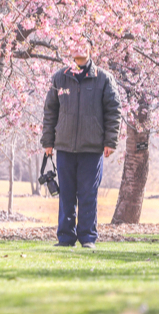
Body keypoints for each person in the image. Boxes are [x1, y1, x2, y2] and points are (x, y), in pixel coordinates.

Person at [41, 37, 121, 248]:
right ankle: (65, 238)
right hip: (65, 147)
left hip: (92, 148)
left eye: (81, 45)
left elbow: (114, 111)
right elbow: (50, 111)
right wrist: (48, 142)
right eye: (73, 44)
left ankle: (87, 238)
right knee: (66, 195)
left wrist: (110, 141)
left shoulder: (104, 78)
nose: (77, 49)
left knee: (88, 195)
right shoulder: (60, 78)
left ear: (90, 49)